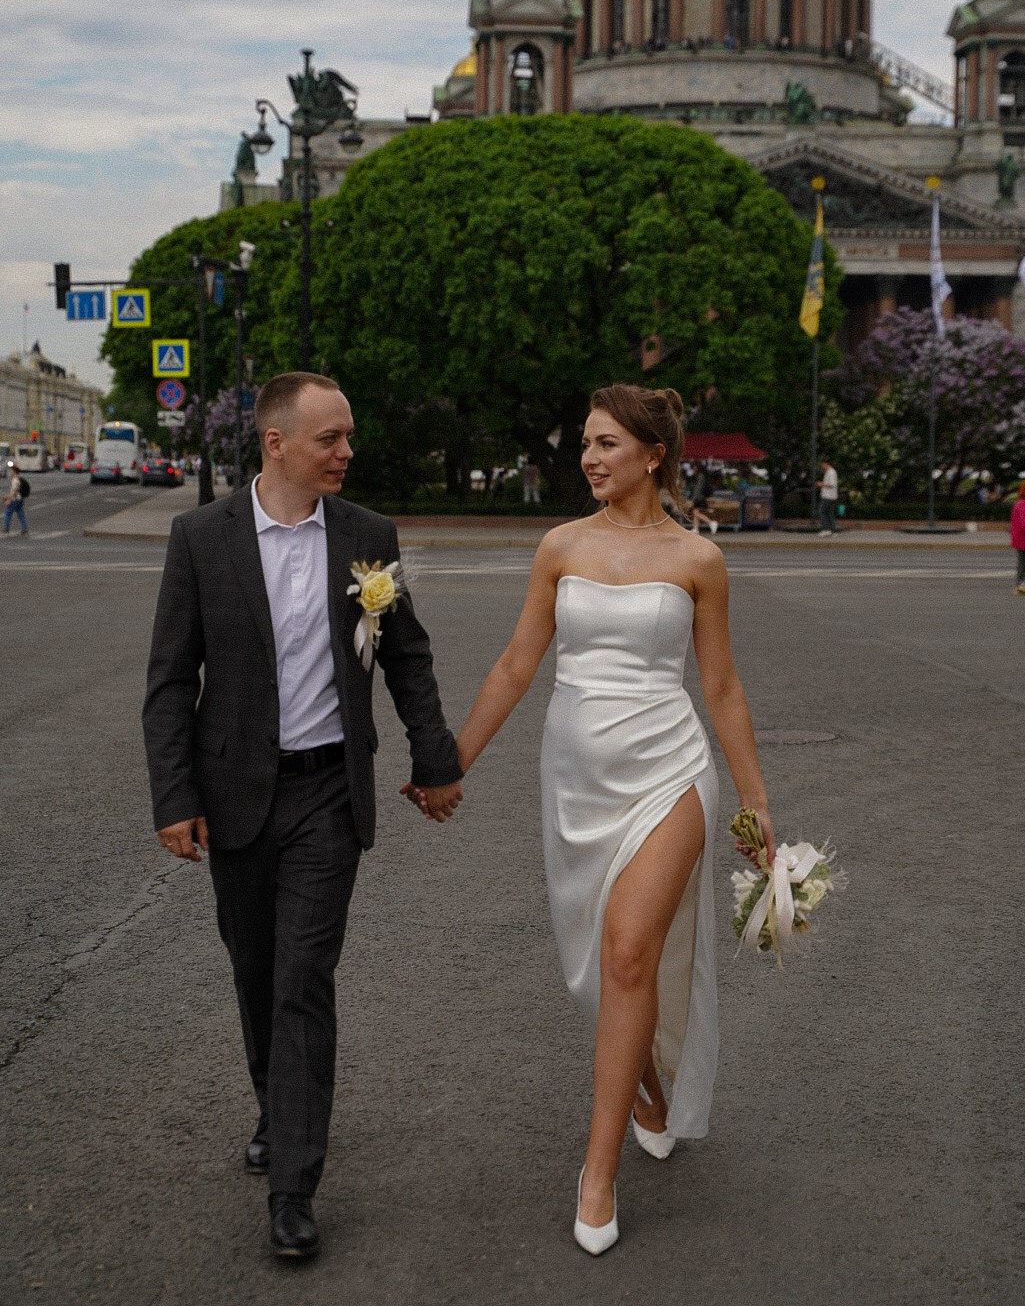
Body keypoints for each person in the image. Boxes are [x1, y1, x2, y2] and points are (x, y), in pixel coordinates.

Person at [414, 384, 775, 1255]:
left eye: (608, 443)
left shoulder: (699, 561)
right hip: (576, 777)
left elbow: (720, 686)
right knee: (596, 968)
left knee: (627, 953)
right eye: (586, 443)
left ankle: (598, 1170)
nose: (589, 457)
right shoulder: (559, 546)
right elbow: (514, 664)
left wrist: (757, 801)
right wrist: (450, 761)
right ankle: (644, 1083)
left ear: (654, 455)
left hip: (669, 771)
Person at [143, 372, 462, 1263]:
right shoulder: (200, 538)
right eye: (330, 438)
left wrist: (434, 761)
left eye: (349, 437)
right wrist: (175, 798)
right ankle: (273, 1106)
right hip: (235, 791)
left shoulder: (368, 537)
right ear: (276, 443)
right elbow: (171, 680)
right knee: (255, 972)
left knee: (301, 978)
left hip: (329, 790)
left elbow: (406, 654)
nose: (347, 452)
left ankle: (293, 1183)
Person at [3, 462, 29, 537]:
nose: (10, 472)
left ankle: (6, 529)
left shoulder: (15, 480)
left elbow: (15, 491)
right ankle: (25, 529)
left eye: (11, 471)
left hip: (15, 500)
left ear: (14, 471)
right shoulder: (18, 479)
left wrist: (8, 498)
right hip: (19, 499)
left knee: (8, 514)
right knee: (21, 514)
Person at [818, 459, 839, 535]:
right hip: (829, 496)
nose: (822, 466)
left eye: (822, 464)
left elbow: (832, 484)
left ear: (826, 464)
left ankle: (826, 529)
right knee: (829, 513)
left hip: (828, 496)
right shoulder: (829, 472)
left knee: (822, 512)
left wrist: (822, 484)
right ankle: (833, 531)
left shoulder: (831, 472)